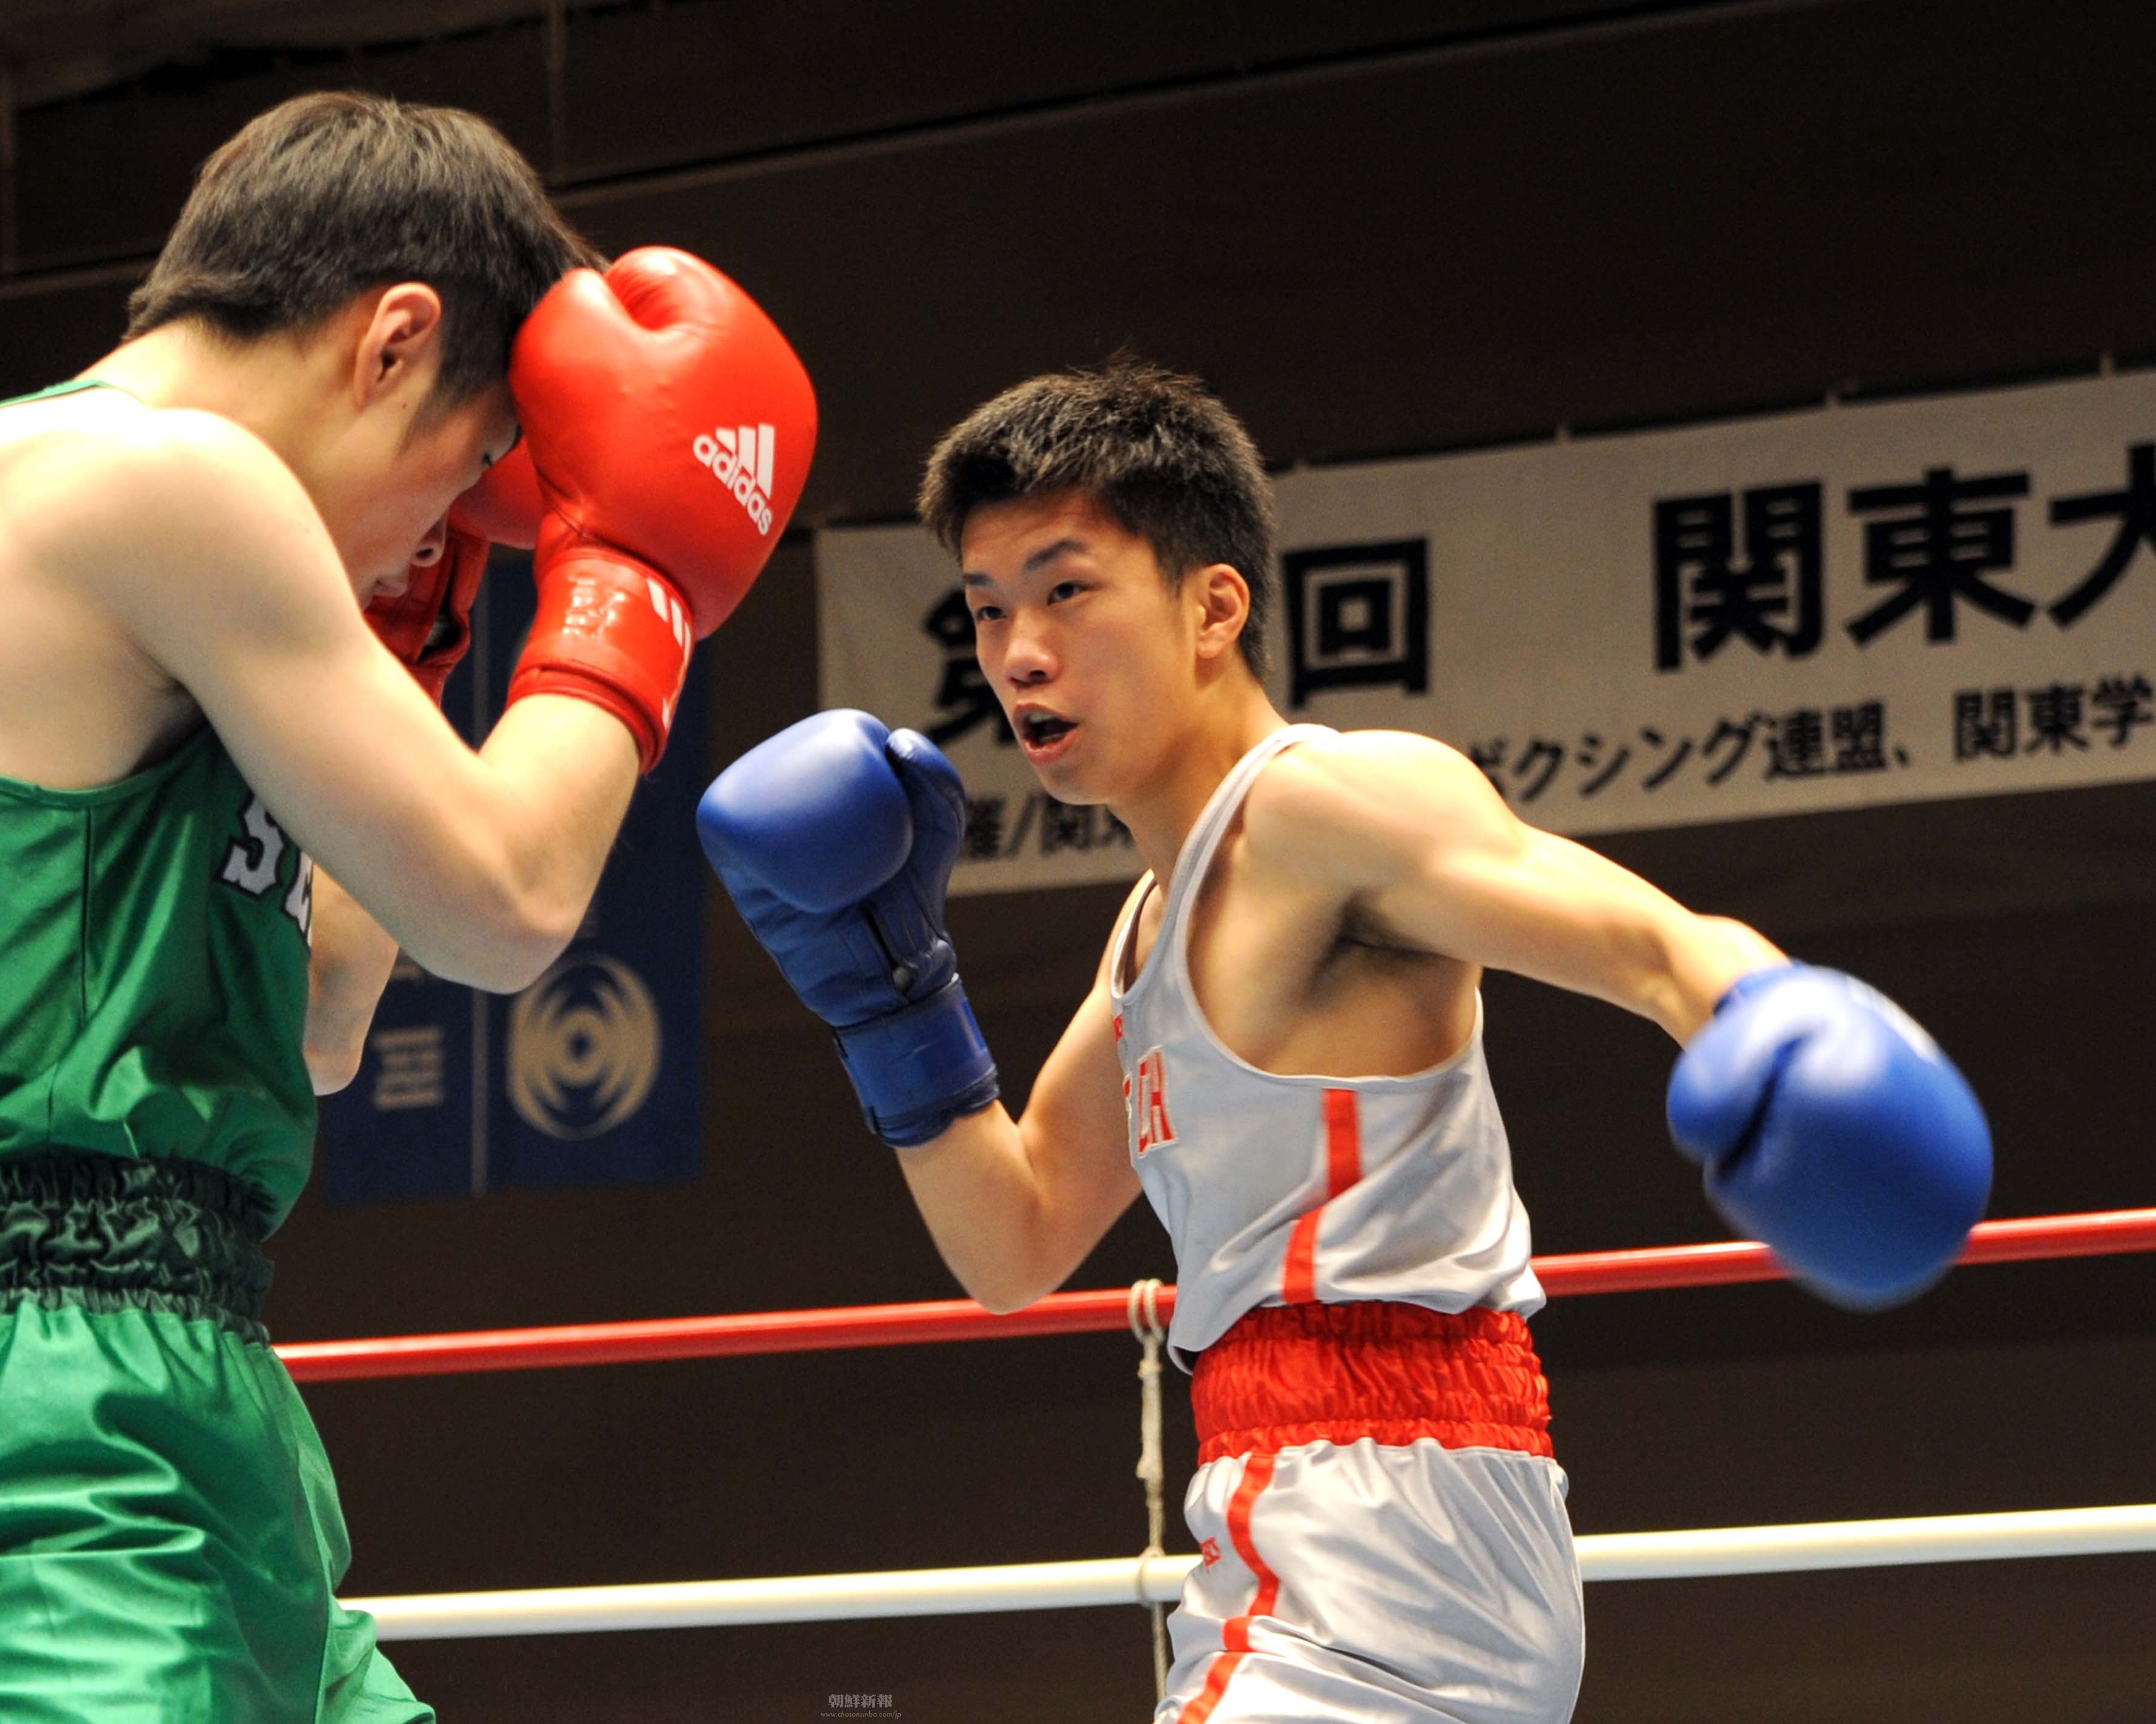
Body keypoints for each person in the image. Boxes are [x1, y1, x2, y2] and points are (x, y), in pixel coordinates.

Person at [697, 360, 1986, 1723]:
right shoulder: (1151, 923)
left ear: (1214, 608)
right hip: (1329, 1511)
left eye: (1066, 590)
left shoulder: (1330, 805)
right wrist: (891, 1002)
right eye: (987, 607)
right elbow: (1009, 1243)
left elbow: (1658, 946)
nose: (1019, 652)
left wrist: (1776, 1018)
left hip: (1374, 1520)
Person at [0, 91, 813, 1723]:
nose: (448, 527)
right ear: (394, 342)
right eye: (470, 469)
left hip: (197, 1390)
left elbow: (327, 1011)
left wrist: (407, 651)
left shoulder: (134, 539)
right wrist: (638, 585)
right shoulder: (147, 475)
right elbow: (506, 901)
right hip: (40, 1429)